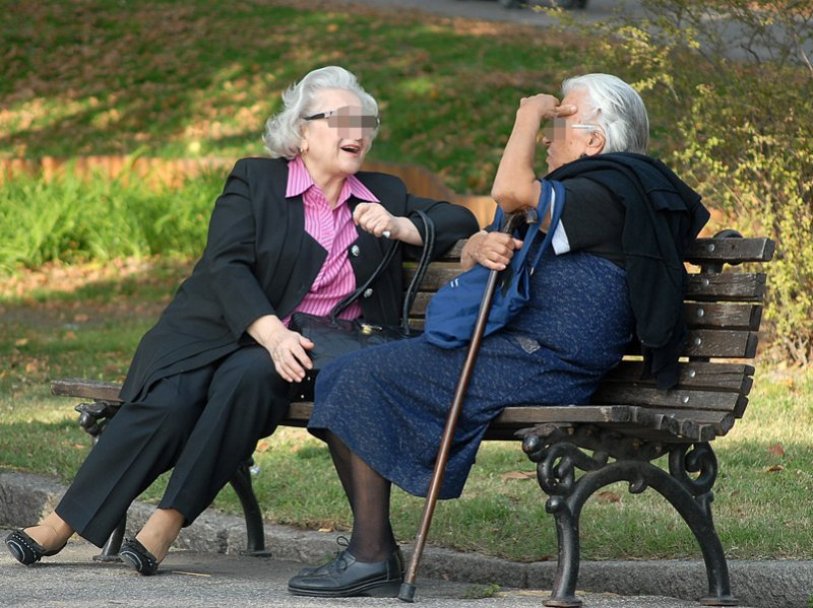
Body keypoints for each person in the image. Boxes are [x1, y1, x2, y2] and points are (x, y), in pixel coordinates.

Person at [4, 66, 479, 575]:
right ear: (302, 131)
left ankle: (168, 518)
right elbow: (225, 264)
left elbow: (463, 220)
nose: (357, 132)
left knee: (250, 376)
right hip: (217, 330)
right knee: (173, 398)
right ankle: (64, 522)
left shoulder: (382, 191)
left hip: (305, 356)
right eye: (341, 119)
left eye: (366, 121)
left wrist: (403, 224)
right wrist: (271, 332)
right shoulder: (257, 180)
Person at [287, 73, 710, 598]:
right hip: (516, 349)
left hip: (546, 360)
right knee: (346, 374)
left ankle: (371, 554)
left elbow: (510, 190)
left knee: (358, 375)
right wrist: (477, 249)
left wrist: (526, 116)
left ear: (593, 140)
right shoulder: (587, 191)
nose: (549, 139)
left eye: (559, 125)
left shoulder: (607, 189)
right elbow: (500, 233)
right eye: (547, 125)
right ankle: (371, 549)